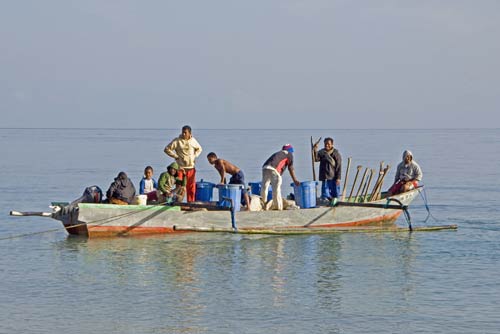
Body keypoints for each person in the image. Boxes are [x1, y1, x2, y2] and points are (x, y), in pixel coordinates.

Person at [164, 125, 202, 202]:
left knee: (191, 187)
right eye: (182, 132)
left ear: (189, 133)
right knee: (180, 187)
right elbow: (167, 149)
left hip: (191, 168)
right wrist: (175, 156)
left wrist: (195, 156)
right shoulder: (177, 141)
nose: (183, 134)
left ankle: (190, 203)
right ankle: (178, 203)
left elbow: (199, 149)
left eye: (185, 133)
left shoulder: (193, 140)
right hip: (180, 168)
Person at [261, 144, 300, 211]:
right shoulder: (289, 154)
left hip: (265, 167)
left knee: (264, 187)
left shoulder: (278, 153)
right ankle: (278, 207)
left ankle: (263, 204)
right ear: (290, 150)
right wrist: (295, 180)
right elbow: (290, 168)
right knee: (276, 189)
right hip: (273, 169)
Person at [313, 137, 342, 203]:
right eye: (325, 144)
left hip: (333, 177)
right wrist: (315, 149)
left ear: (332, 144)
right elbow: (316, 159)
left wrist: (338, 178)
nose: (327, 145)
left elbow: (339, 167)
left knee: (335, 192)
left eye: (328, 144)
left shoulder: (336, 154)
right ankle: (326, 201)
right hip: (325, 176)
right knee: (325, 193)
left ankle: (334, 201)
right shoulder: (322, 152)